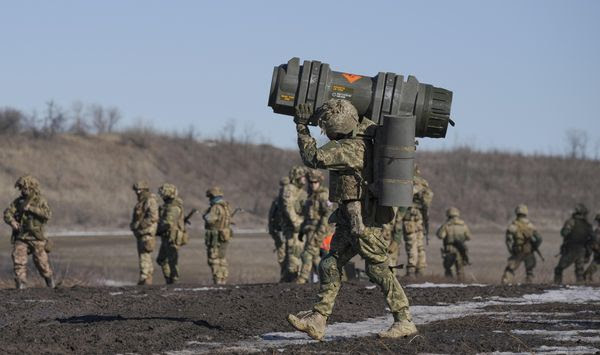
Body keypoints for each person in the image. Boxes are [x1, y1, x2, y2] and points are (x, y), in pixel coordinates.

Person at [286, 99, 417, 340]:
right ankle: (318, 318)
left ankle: (404, 319)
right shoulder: (364, 137)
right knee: (330, 264)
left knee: (377, 270)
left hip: (364, 221)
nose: (325, 129)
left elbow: (313, 157)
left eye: (326, 125)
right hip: (350, 217)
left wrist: (302, 126)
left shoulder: (349, 148)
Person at [4, 175, 55, 289]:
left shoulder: (40, 200)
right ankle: (21, 284)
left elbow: (47, 215)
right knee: (18, 260)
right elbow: (7, 213)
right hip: (22, 236)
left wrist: (31, 208)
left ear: (31, 187)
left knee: (42, 263)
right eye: (21, 188)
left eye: (24, 188)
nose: (22, 190)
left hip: (37, 237)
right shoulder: (18, 202)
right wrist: (12, 221)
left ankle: (50, 282)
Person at [297, 169, 332, 284]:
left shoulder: (323, 195)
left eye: (315, 182)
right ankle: (327, 278)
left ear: (319, 182)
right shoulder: (310, 196)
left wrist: (319, 234)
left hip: (319, 231)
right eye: (311, 182)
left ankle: (302, 279)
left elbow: (326, 216)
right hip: (310, 230)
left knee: (307, 254)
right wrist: (302, 230)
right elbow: (307, 216)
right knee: (316, 257)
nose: (313, 185)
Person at [501, 204, 542, 284]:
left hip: (518, 250)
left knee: (510, 269)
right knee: (530, 271)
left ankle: (504, 285)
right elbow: (539, 238)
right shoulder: (530, 225)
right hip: (529, 251)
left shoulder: (513, 225)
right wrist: (534, 247)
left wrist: (511, 250)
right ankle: (530, 287)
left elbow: (508, 240)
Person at [281, 165, 308, 282]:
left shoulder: (300, 190)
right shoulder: (290, 189)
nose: (304, 179)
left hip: (300, 227)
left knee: (299, 254)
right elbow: (288, 207)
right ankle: (291, 280)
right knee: (293, 255)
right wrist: (296, 222)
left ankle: (293, 280)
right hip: (293, 229)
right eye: (302, 177)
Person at [555, 203, 593, 284]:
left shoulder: (571, 222)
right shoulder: (588, 225)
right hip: (582, 250)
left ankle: (557, 286)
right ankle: (580, 289)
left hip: (571, 249)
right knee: (579, 272)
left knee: (559, 269)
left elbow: (564, 233)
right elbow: (591, 239)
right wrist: (588, 253)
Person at [129, 180, 159, 285]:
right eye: (136, 190)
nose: (137, 192)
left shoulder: (149, 200)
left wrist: (141, 225)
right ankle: (146, 277)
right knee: (144, 255)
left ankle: (145, 278)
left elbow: (153, 216)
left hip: (146, 232)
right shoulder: (142, 201)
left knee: (144, 255)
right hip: (142, 232)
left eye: (139, 190)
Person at [203, 186, 233, 285]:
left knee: (214, 259)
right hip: (224, 236)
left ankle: (218, 281)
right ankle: (223, 279)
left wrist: (205, 214)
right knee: (222, 259)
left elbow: (209, 219)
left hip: (215, 237)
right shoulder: (226, 206)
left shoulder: (216, 207)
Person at [156, 183, 185, 284]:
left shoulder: (173, 207)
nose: (161, 196)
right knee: (162, 259)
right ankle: (169, 280)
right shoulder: (167, 206)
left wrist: (156, 229)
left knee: (172, 261)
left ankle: (174, 281)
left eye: (163, 193)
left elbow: (168, 223)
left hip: (172, 237)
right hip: (166, 236)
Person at [436, 207, 471, 280]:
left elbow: (440, 235)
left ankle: (449, 284)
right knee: (460, 269)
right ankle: (462, 284)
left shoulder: (447, 225)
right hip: (460, 249)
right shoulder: (463, 225)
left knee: (448, 268)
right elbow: (469, 237)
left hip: (449, 249)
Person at [268, 177, 289, 280]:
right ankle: (284, 276)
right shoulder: (277, 201)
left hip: (290, 232)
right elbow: (271, 216)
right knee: (282, 257)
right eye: (282, 187)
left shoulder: (293, 199)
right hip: (279, 232)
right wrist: (272, 230)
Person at [402, 205, 426, 277]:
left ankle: (411, 271)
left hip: (411, 223)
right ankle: (420, 271)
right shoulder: (419, 208)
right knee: (419, 247)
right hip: (416, 221)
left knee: (412, 247)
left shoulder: (409, 210)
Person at [583, 213, 600, 282]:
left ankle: (587, 276)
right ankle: (587, 277)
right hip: (597, 251)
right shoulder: (596, 231)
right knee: (596, 262)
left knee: (596, 263)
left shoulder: (596, 231)